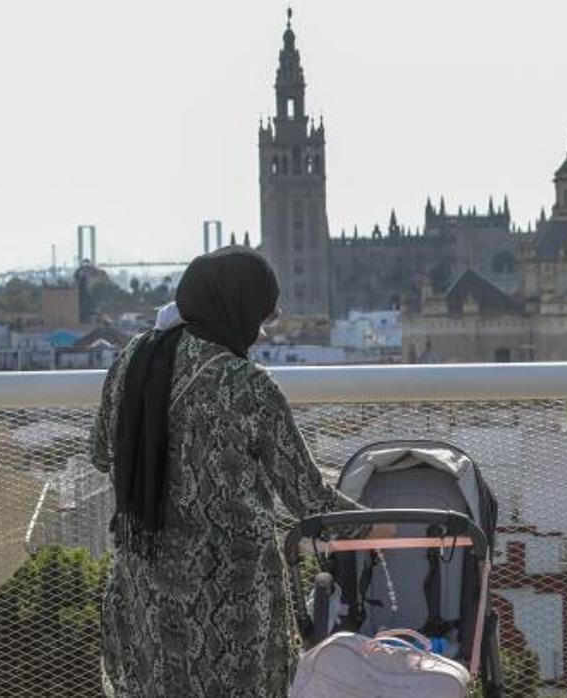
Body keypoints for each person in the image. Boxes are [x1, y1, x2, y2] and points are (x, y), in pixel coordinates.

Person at [90, 247, 380, 697]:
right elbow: (308, 498)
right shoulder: (246, 384)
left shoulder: (133, 360)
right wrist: (378, 526)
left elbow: (102, 454)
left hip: (144, 590)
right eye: (261, 318)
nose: (261, 333)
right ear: (236, 307)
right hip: (229, 602)